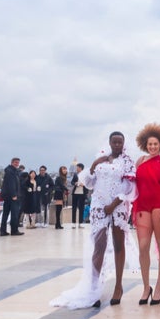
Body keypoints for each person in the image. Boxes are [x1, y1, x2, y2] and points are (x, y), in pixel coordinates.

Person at [51, 131, 137, 309]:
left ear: (124, 143)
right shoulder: (101, 159)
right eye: (114, 142)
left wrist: (114, 204)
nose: (117, 145)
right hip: (99, 205)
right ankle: (94, 288)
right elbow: (90, 183)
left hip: (118, 205)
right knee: (99, 246)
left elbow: (131, 187)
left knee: (119, 244)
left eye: (120, 142)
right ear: (109, 142)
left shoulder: (127, 162)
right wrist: (94, 164)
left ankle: (118, 286)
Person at [132, 123, 160, 306]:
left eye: (156, 144)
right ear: (145, 145)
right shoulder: (140, 161)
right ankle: (146, 285)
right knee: (143, 246)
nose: (153, 147)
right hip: (142, 205)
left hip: (158, 205)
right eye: (150, 144)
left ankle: (159, 285)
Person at [0, 158, 23, 236]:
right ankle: (14, 230)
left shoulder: (12, 171)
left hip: (7, 196)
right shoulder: (11, 172)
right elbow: (11, 184)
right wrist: (14, 195)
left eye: (18, 163)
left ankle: (3, 231)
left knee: (5, 214)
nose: (17, 164)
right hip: (12, 197)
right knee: (14, 214)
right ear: (12, 162)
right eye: (16, 162)